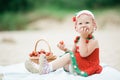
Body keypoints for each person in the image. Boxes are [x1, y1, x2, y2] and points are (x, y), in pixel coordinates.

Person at [25, 10, 102, 77]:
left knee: (68, 56)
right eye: (80, 23)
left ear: (93, 25)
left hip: (89, 66)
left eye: (87, 22)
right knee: (65, 58)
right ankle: (41, 68)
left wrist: (83, 37)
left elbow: (83, 54)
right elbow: (73, 53)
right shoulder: (78, 39)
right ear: (76, 27)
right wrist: (64, 49)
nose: (84, 25)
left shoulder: (93, 41)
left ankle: (47, 68)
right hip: (79, 64)